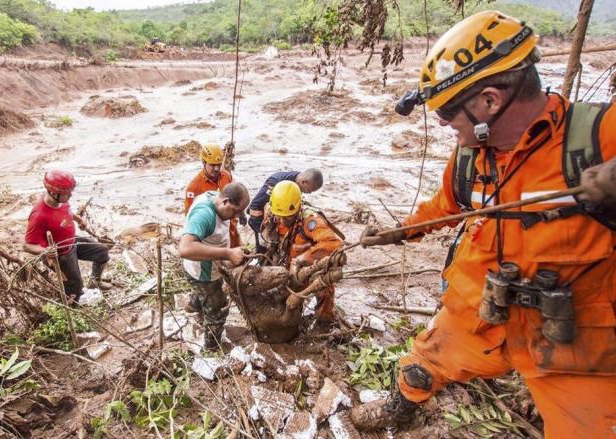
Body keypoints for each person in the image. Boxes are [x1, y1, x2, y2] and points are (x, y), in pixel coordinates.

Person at [350, 11, 615, 437]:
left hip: (573, 341)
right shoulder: (470, 155)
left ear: (489, 102)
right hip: (479, 311)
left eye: (447, 112)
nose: (441, 123)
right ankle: (401, 406)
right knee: (421, 365)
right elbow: (445, 206)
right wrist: (402, 230)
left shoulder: (598, 138)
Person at [178, 182, 250, 350]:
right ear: (225, 201)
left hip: (206, 267)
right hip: (202, 273)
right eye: (236, 211)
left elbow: (231, 211)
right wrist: (228, 253)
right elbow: (185, 248)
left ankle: (194, 306)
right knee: (218, 309)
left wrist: (240, 215)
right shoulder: (205, 215)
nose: (236, 216)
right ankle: (212, 347)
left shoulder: (214, 196)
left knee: (204, 294)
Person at [260, 181, 342, 323]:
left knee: (324, 291)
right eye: (280, 216)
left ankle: (324, 322)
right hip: (285, 264)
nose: (283, 220)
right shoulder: (272, 211)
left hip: (308, 267)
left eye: (288, 217)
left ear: (298, 208)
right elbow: (267, 240)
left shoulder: (310, 220)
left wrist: (302, 259)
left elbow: (334, 243)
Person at [24, 170, 111, 303]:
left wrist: (79, 220)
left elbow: (68, 211)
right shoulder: (39, 215)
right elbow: (27, 245)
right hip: (61, 254)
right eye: (67, 193)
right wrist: (45, 251)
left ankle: (95, 281)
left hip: (72, 241)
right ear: (53, 193)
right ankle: (73, 306)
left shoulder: (60, 200)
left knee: (102, 252)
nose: (70, 195)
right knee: (75, 286)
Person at [248, 168, 324, 253]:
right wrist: (266, 235)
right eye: (310, 190)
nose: (309, 193)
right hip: (261, 219)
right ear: (304, 182)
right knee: (267, 246)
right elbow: (254, 207)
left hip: (279, 213)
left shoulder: (298, 181)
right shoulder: (275, 183)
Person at [184, 143, 242, 247]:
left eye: (219, 165)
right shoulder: (193, 187)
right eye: (212, 165)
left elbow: (234, 198)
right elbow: (189, 216)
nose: (216, 169)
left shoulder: (226, 176)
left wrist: (240, 213)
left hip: (230, 228)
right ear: (204, 162)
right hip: (212, 233)